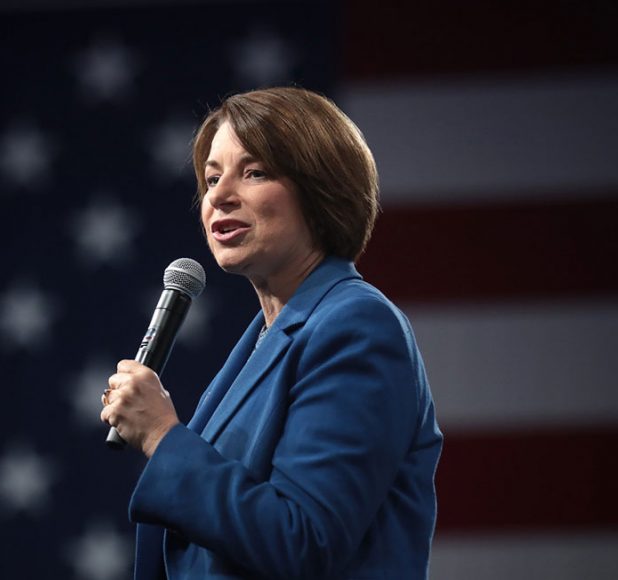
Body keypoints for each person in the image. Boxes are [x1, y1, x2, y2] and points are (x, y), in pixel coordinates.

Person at [100, 87, 441, 579]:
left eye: (254, 172)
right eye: (212, 177)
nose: (217, 195)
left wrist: (160, 434)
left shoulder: (357, 326)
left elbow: (302, 539)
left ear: (321, 188)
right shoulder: (266, 336)